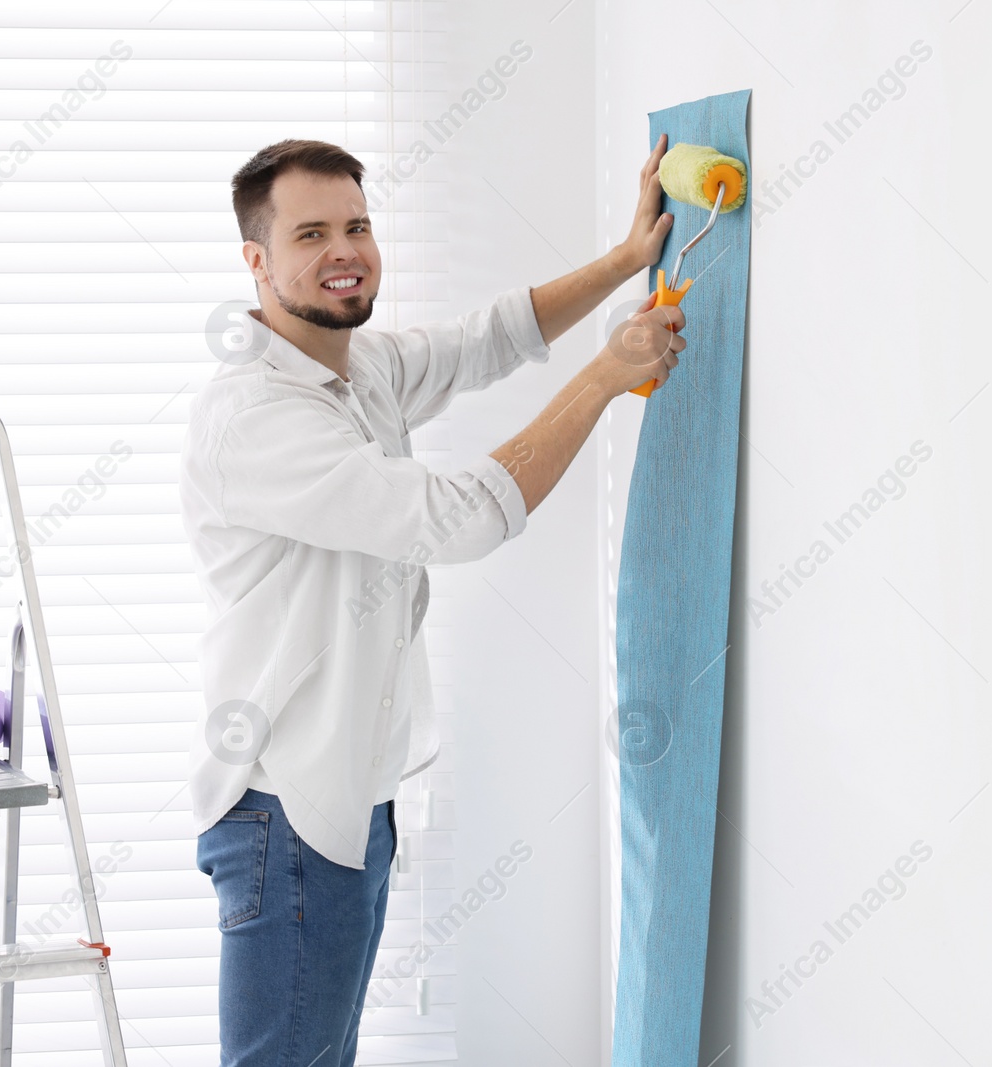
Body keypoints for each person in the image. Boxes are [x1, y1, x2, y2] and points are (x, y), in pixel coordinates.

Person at [178, 134, 685, 1065]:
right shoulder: (258, 418)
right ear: (256, 260)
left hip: (344, 799)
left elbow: (487, 340)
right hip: (285, 810)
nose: (346, 251)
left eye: (359, 226)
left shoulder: (352, 368)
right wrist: (610, 376)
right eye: (312, 233)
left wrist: (627, 259)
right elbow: (455, 519)